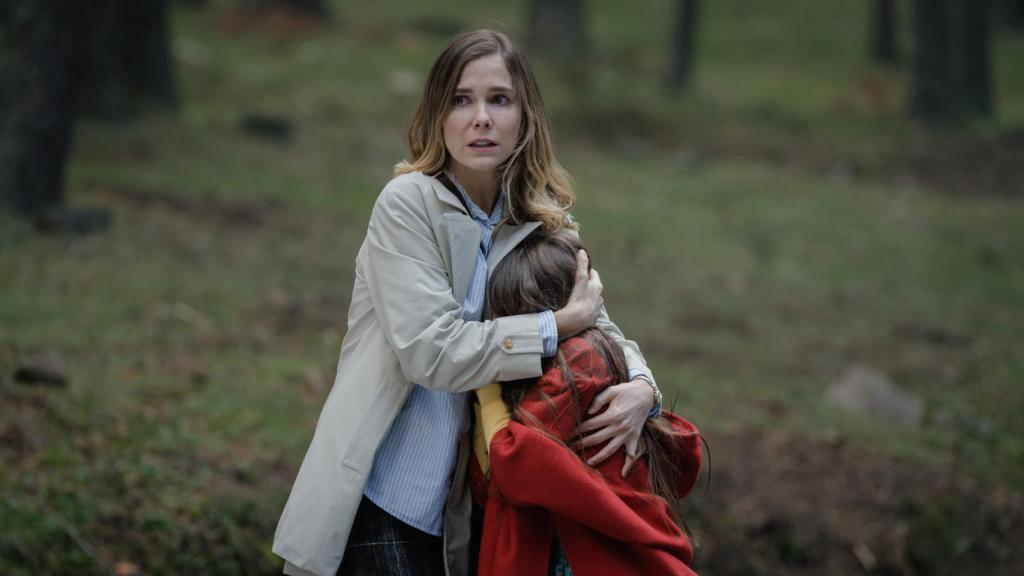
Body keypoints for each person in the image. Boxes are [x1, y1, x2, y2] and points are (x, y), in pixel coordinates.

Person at [272, 29, 664, 576]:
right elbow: (432, 352)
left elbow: (600, 325)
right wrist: (553, 327)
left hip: (466, 506)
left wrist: (644, 389)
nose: (481, 118)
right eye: (462, 100)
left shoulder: (545, 223)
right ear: (439, 115)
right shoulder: (406, 206)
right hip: (380, 492)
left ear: (525, 117)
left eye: (499, 100)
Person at [470, 232, 702, 576]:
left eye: (503, 316)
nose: (497, 327)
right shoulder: (577, 364)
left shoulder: (581, 362)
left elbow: (510, 465)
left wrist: (485, 385)